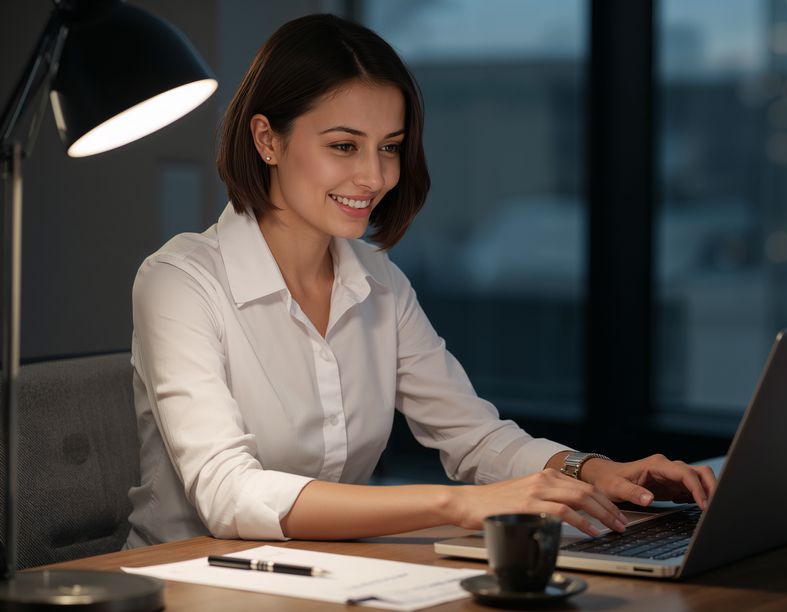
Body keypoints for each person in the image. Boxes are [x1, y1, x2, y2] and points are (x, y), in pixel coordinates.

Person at [125, 13, 716, 548]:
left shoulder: (378, 283)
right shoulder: (180, 283)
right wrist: (458, 504)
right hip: (180, 587)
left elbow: (476, 439)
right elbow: (229, 495)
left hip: (319, 581)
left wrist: (590, 469)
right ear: (267, 140)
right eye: (344, 146)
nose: (374, 175)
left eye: (390, 148)